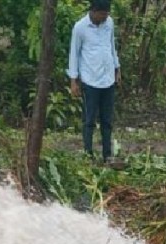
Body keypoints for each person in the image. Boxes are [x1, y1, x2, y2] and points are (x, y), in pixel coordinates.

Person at [67, 0, 120, 163]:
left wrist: (117, 69)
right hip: (90, 80)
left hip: (108, 78)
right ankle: (88, 155)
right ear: (94, 11)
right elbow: (74, 54)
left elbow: (112, 46)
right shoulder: (80, 27)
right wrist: (74, 80)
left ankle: (107, 155)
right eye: (102, 14)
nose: (105, 17)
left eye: (107, 14)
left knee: (107, 120)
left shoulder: (109, 23)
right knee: (89, 120)